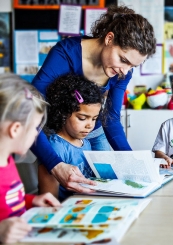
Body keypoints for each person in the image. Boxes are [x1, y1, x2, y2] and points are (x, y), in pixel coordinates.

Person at [31, 5, 157, 194]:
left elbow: (111, 119)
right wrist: (55, 164)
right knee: (60, 188)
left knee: (104, 189)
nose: (125, 71)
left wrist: (134, 164)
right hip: (60, 131)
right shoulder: (65, 53)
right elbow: (30, 111)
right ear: (109, 38)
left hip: (96, 133)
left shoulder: (123, 72)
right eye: (123, 60)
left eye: (132, 66)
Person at [0, 74, 60, 244]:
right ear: (15, 129)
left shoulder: (8, 161)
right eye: (35, 128)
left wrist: (32, 201)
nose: (36, 134)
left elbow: (9, 202)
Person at [38, 74, 103, 201]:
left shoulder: (85, 142)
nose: (90, 125)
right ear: (63, 113)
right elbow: (49, 198)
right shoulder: (56, 147)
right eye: (82, 118)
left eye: (94, 119)